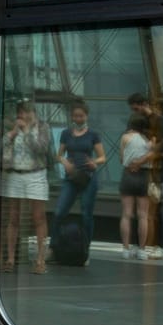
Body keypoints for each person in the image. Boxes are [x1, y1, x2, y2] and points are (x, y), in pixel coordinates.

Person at [0, 100, 54, 274]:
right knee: (13, 217)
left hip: (35, 174)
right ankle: (10, 258)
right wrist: (13, 133)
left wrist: (28, 132)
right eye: (19, 112)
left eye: (24, 112)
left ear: (32, 113)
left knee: (38, 217)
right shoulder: (12, 126)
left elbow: (41, 149)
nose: (20, 116)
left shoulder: (42, 127)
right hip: (15, 174)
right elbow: (0, 148)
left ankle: (40, 259)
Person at [54, 99, 107, 248]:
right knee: (59, 211)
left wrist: (94, 162)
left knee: (86, 214)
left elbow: (103, 156)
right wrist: (65, 163)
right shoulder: (66, 133)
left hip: (88, 176)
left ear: (86, 116)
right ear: (72, 117)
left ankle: (85, 248)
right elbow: (59, 155)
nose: (78, 119)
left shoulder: (93, 134)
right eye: (76, 116)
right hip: (71, 176)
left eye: (81, 116)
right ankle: (54, 245)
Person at [130, 93, 163, 258]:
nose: (136, 111)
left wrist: (144, 157)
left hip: (154, 170)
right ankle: (144, 244)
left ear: (144, 104)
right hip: (147, 169)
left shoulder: (159, 121)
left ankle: (155, 244)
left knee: (153, 209)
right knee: (143, 210)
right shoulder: (141, 121)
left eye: (137, 107)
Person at [118, 113, 155, 260]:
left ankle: (126, 249)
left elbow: (121, 159)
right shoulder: (149, 140)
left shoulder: (125, 138)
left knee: (126, 214)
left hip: (127, 175)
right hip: (143, 176)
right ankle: (141, 250)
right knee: (143, 215)